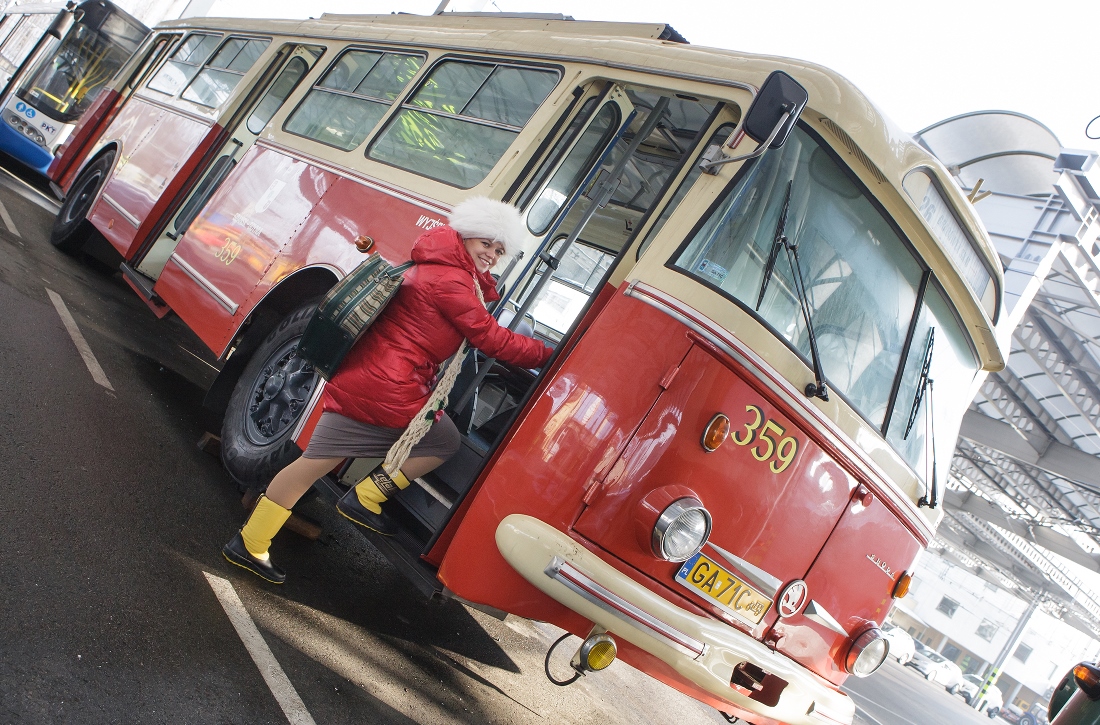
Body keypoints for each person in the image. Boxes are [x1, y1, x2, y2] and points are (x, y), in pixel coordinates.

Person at [222, 197, 553, 583]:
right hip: (386, 388)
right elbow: (491, 338)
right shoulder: (451, 279)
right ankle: (359, 499)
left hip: (369, 378)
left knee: (316, 463)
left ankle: (257, 540)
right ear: (465, 236)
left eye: (500, 250)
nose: (493, 255)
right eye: (487, 244)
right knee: (440, 441)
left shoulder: (434, 265)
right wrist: (550, 355)